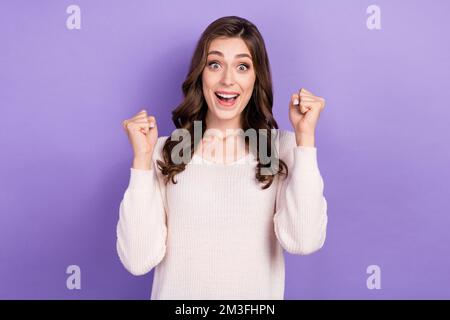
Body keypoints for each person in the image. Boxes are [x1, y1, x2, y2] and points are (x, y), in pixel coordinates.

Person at [117, 16, 328, 300]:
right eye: (215, 64)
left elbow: (303, 241)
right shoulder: (165, 151)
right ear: (201, 74)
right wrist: (141, 162)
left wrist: (306, 140)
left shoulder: (279, 149)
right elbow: (137, 259)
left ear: (256, 78)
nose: (227, 79)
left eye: (242, 66)